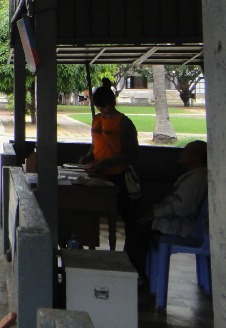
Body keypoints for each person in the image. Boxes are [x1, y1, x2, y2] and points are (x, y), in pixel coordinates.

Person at [128, 141, 209, 285]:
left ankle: (136, 274)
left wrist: (156, 213)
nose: (181, 153)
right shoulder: (195, 176)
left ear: (196, 158)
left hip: (184, 225)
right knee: (138, 221)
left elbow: (182, 208)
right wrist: (154, 210)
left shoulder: (197, 179)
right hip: (181, 220)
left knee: (138, 227)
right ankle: (136, 269)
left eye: (186, 151)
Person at [78, 83, 141, 270]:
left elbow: (133, 152)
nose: (101, 110)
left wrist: (109, 163)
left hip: (117, 174)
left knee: (126, 217)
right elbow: (95, 144)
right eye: (98, 106)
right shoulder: (97, 120)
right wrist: (89, 156)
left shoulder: (124, 123)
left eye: (104, 106)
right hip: (96, 173)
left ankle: (129, 257)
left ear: (113, 103)